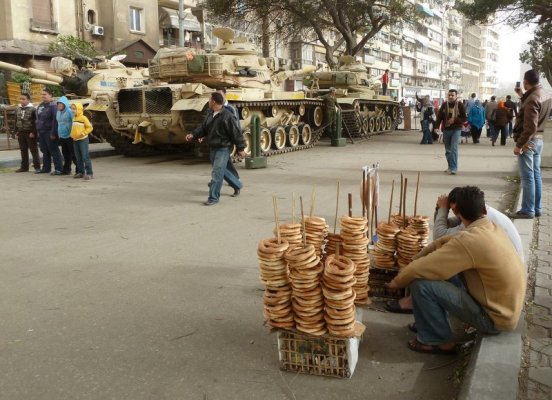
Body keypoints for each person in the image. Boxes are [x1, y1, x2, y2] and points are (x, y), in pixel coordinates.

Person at [387, 186, 526, 354]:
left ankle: (436, 340)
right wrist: (417, 258)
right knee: (444, 270)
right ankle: (429, 322)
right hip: (507, 310)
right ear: (483, 210)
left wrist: (396, 282)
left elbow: (424, 267)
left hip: (494, 319)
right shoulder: (489, 226)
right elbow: (443, 241)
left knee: (422, 285)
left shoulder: (470, 240)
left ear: (457, 214)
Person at [186, 92, 245, 206]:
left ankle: (213, 198)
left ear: (213, 101)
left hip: (222, 148)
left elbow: (236, 133)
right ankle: (237, 185)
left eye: (209, 100)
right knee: (223, 171)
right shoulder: (210, 113)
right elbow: (203, 128)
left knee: (217, 173)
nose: (208, 101)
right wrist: (193, 135)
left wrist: (240, 148)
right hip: (213, 148)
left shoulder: (227, 116)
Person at [510, 69, 552, 219]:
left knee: (527, 177)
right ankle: (537, 208)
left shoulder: (532, 98)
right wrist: (522, 95)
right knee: (536, 175)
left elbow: (530, 128)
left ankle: (528, 210)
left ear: (525, 82)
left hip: (529, 141)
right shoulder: (544, 94)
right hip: (538, 140)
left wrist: (519, 145)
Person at [434, 89, 467, 175]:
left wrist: (455, 120)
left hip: (456, 129)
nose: (450, 97)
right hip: (446, 129)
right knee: (448, 150)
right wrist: (436, 127)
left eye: (452, 95)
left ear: (456, 96)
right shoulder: (444, 104)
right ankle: (450, 166)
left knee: (453, 149)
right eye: (449, 95)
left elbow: (464, 118)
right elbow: (439, 117)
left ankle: (454, 168)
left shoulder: (460, 105)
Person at [216, 88, 242, 195]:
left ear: (225, 95)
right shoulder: (215, 108)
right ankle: (233, 181)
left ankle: (235, 182)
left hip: (226, 141)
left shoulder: (231, 109)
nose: (218, 97)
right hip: (216, 141)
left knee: (222, 165)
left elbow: (235, 127)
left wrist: (239, 145)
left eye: (220, 94)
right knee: (223, 164)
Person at [35, 88, 63, 175]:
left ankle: (59, 169)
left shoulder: (53, 106)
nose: (43, 96)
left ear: (50, 95)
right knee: (44, 150)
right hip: (42, 132)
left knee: (53, 150)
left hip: (50, 132)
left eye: (45, 94)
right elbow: (38, 119)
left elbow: (55, 120)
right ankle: (46, 168)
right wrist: (38, 130)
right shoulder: (41, 105)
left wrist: (53, 133)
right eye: (42, 94)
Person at [14, 93, 40, 173]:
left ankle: (37, 167)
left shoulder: (33, 109)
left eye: (23, 99)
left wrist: (33, 132)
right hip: (21, 132)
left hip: (30, 132)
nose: (21, 100)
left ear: (28, 100)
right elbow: (16, 120)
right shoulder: (18, 108)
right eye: (20, 99)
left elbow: (36, 122)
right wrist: (16, 132)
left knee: (33, 150)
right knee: (23, 150)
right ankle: (24, 167)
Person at [70, 103, 94, 180]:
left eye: (74, 109)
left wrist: (83, 133)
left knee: (85, 156)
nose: (72, 110)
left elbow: (90, 127)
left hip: (83, 140)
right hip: (75, 140)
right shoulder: (74, 118)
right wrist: (72, 135)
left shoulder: (83, 118)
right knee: (78, 157)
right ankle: (81, 172)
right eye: (72, 108)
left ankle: (89, 173)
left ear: (79, 109)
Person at [56, 96, 78, 175]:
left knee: (73, 154)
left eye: (61, 104)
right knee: (65, 154)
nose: (59, 105)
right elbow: (58, 123)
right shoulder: (58, 112)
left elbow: (74, 121)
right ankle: (66, 169)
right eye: (58, 104)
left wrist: (73, 133)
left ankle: (79, 170)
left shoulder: (69, 111)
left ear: (65, 104)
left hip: (70, 136)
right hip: (62, 136)